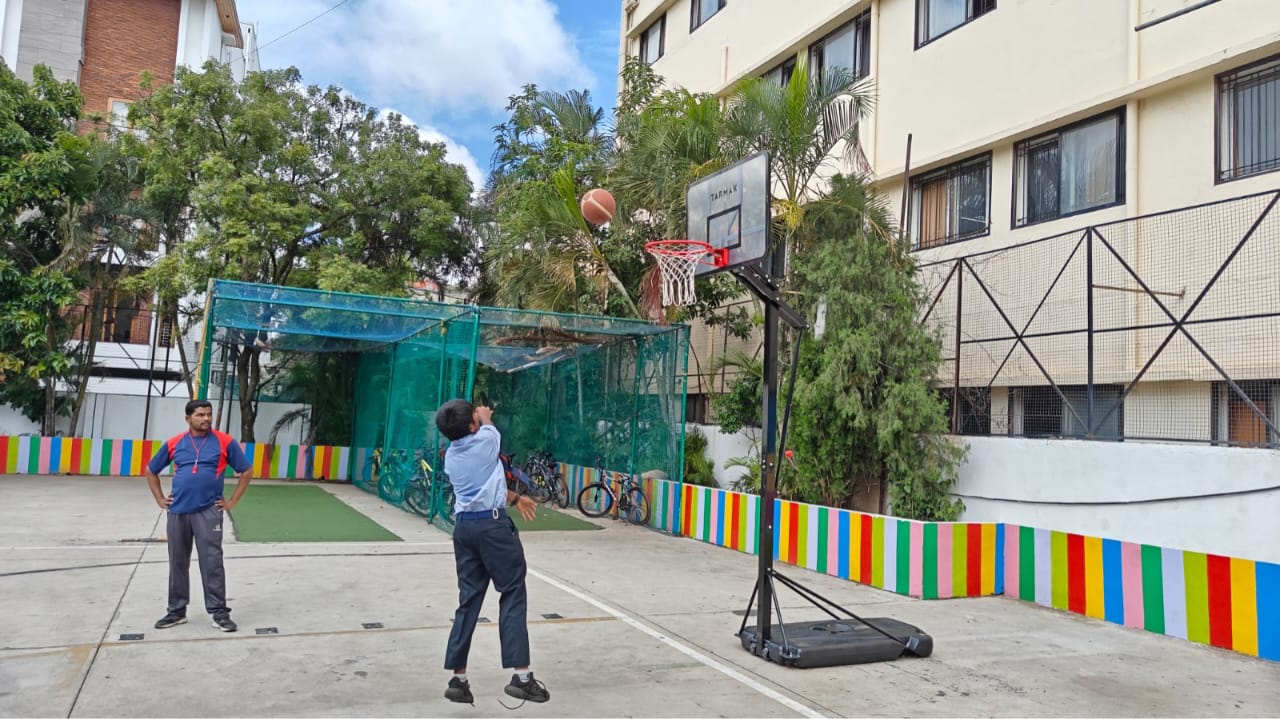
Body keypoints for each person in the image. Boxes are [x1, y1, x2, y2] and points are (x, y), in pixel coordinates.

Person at [435, 399, 550, 705]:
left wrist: (515, 499)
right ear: (473, 425)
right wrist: (485, 417)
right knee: (512, 592)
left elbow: (486, 487)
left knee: (468, 601)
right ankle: (522, 677)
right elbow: (489, 430)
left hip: (465, 529)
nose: (480, 413)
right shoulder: (486, 439)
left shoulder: (451, 457)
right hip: (492, 530)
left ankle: (458, 680)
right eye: (475, 414)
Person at [145, 399, 253, 633]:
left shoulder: (224, 442)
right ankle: (176, 611)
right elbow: (151, 470)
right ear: (188, 419)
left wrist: (232, 501)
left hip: (208, 511)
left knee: (212, 562)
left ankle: (219, 612)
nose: (205, 419)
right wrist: (160, 499)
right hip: (178, 511)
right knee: (177, 562)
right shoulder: (175, 443)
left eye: (208, 414)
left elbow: (246, 470)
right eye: (200, 415)